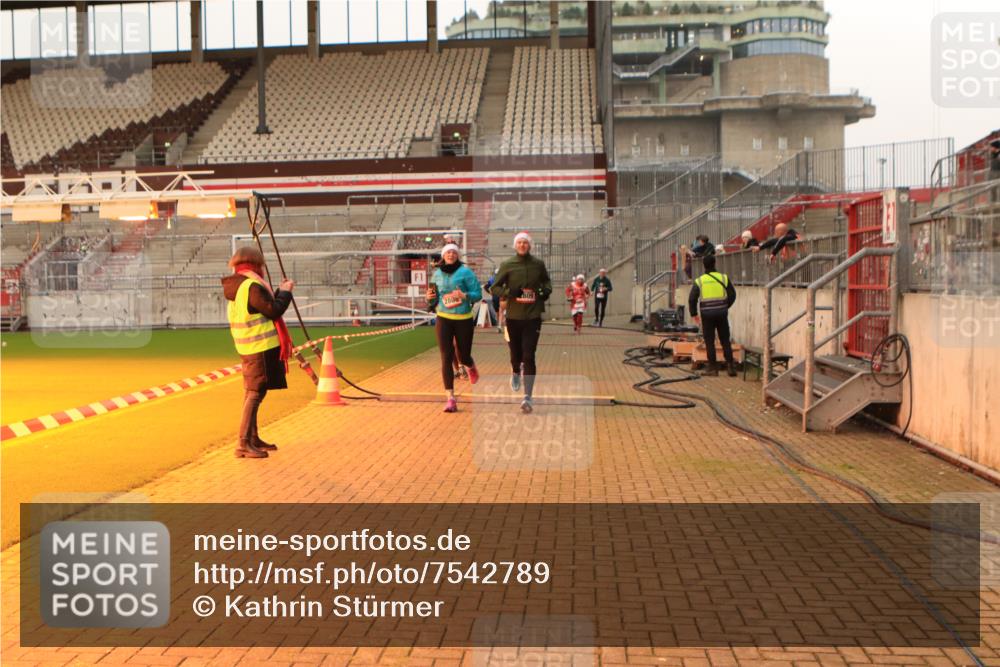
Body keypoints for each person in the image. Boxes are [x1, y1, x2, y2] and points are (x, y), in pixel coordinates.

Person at [222, 247, 295, 459]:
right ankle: (243, 443)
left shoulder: (237, 285)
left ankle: (252, 438)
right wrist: (286, 291)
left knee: (254, 392)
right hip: (259, 348)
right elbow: (273, 310)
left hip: (248, 347)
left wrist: (280, 292)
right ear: (256, 263)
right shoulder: (251, 285)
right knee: (254, 394)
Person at [491, 231, 553, 414]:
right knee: (515, 355)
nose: (522, 245)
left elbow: (547, 283)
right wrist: (511, 292)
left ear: (530, 245)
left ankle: (528, 396)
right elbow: (494, 287)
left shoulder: (538, 264)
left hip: (533, 317)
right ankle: (515, 372)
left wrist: (543, 292)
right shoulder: (507, 264)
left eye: (525, 243)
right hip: (513, 317)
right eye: (519, 243)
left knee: (529, 355)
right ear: (515, 245)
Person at [426, 243, 481, 412]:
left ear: (457, 255)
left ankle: (470, 366)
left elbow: (478, 294)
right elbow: (432, 298)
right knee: (446, 356)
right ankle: (450, 398)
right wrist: (429, 298)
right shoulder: (436, 275)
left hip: (463, 318)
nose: (450, 254)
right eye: (447, 252)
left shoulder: (466, 273)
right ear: (443, 255)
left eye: (453, 252)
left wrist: (464, 295)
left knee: (463, 356)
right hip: (443, 318)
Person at [688, 254, 738, 377]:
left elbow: (692, 299)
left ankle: (712, 368)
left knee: (709, 341)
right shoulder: (723, 278)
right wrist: (725, 306)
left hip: (707, 315)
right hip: (721, 313)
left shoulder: (700, 281)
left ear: (703, 265)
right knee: (725, 339)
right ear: (715, 263)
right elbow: (732, 294)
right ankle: (730, 367)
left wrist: (694, 314)